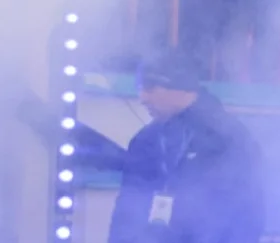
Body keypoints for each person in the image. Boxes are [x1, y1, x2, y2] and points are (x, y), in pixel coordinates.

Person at [109, 54, 265, 243]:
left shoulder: (228, 137)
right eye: (140, 89)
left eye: (150, 88)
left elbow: (248, 213)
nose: (142, 98)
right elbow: (127, 207)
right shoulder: (146, 140)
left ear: (179, 87)